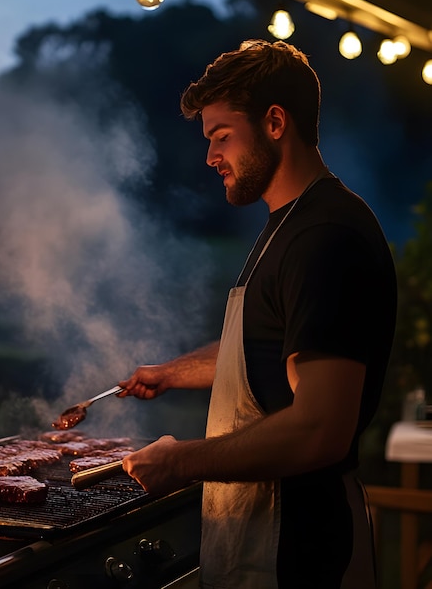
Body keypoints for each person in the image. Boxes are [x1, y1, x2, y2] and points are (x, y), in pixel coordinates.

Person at [118, 39, 397, 589]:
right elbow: (266, 344)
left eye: (221, 136)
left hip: (302, 554)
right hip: (259, 542)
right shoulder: (289, 225)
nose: (210, 156)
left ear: (274, 122)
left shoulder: (326, 237)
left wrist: (179, 464)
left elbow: (320, 430)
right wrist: (172, 373)